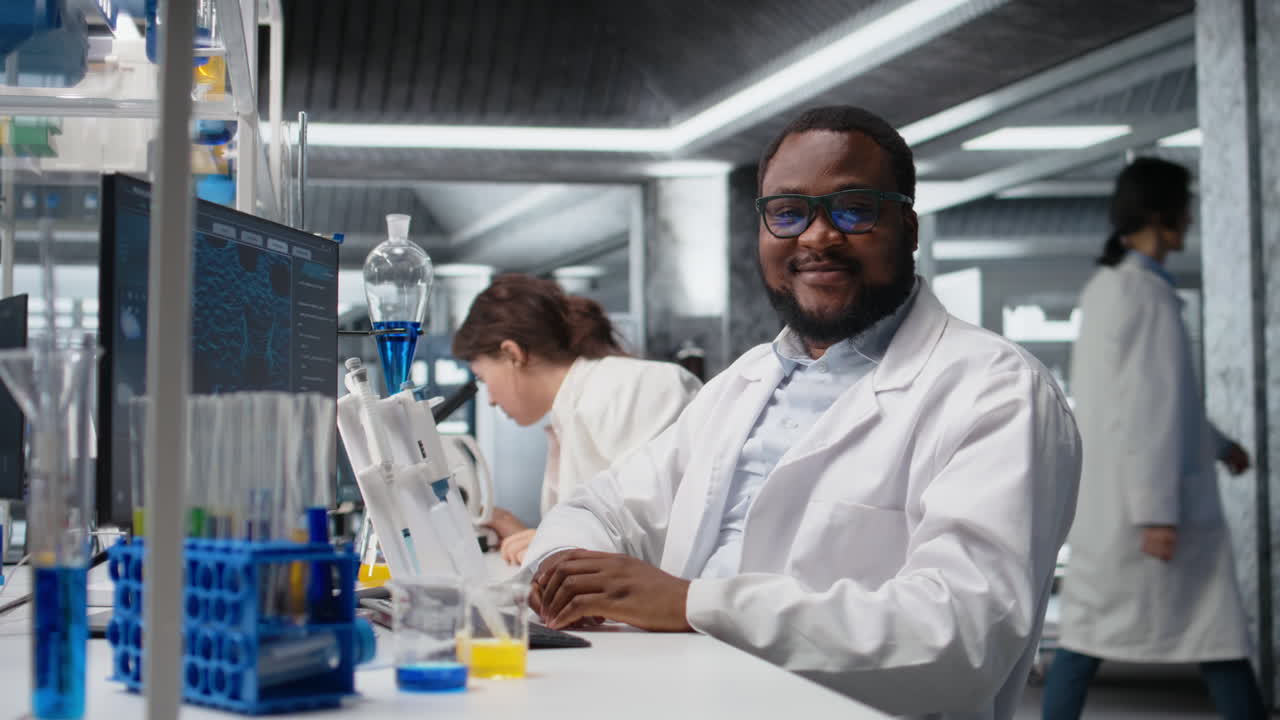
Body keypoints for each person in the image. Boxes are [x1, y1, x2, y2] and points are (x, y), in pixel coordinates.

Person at [522, 105, 1082, 719]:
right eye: (788, 213)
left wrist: (693, 604)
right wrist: (565, 569)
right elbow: (599, 506)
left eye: (853, 208)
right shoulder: (746, 381)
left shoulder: (994, 389)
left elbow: (960, 637)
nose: (817, 236)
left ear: (909, 226)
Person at [1044, 158, 1266, 720]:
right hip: (1146, 507)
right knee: (1214, 638)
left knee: (1092, 636)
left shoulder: (1111, 288)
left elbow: (1168, 403)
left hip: (1120, 501)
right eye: (1185, 207)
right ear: (1162, 215)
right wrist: (1157, 514)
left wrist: (1220, 446)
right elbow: (1147, 411)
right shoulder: (1141, 295)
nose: (1191, 219)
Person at [451, 273, 701, 565]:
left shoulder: (634, 386)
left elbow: (660, 528)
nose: (490, 400)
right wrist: (526, 536)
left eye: (483, 378)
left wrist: (554, 544)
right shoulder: (570, 413)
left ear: (512, 353)